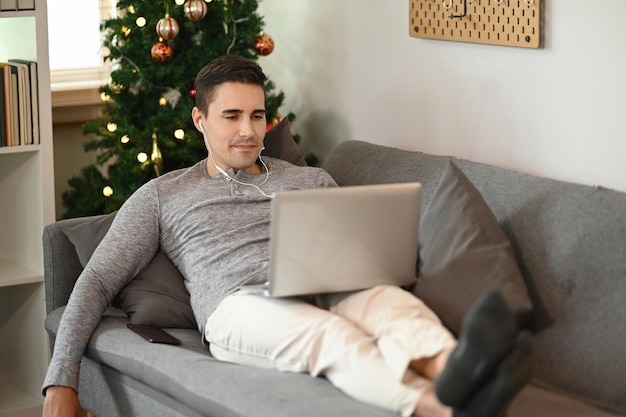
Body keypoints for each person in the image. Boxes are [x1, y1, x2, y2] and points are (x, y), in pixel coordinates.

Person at [42, 55, 532, 417]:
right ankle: (442, 409)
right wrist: (60, 381)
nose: (247, 131)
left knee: (387, 302)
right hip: (239, 308)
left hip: (327, 286)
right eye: (231, 116)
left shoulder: (309, 179)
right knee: (332, 336)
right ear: (200, 120)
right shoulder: (163, 196)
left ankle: (460, 368)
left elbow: (356, 248)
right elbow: (97, 282)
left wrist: (387, 265)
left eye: (257, 115)